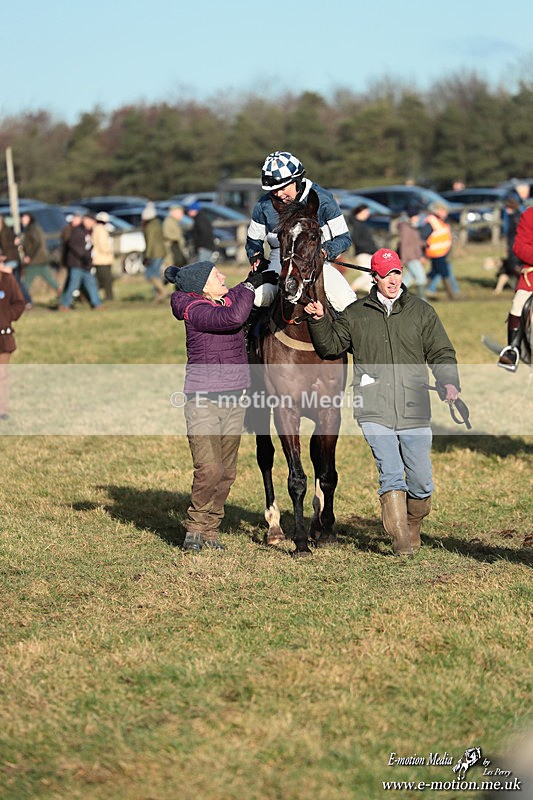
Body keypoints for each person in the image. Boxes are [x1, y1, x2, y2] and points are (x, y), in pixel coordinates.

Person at [304, 248, 461, 557]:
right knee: (390, 473)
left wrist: (448, 380)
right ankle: (400, 537)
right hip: (373, 407)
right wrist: (321, 320)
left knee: (421, 482)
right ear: (374, 277)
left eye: (397, 273)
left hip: (414, 406)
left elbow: (442, 351)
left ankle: (412, 522)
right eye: (386, 274)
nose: (392, 279)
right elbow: (332, 345)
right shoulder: (356, 312)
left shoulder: (421, 310)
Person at [165, 259, 277, 552]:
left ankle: (212, 530)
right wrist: (251, 286)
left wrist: (254, 276)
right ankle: (195, 527)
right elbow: (233, 318)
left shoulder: (220, 299)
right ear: (203, 286)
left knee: (227, 471)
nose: (224, 276)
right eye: (217, 275)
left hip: (234, 398)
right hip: (202, 401)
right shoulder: (195, 310)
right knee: (209, 468)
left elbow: (236, 297)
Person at [246, 151, 356, 310]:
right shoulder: (263, 205)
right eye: (273, 190)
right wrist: (256, 256)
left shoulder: (324, 199)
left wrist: (323, 252)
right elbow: (253, 241)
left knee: (345, 301)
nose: (278, 194)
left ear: (296, 180)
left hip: (315, 257)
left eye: (282, 188)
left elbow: (344, 238)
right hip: (280, 257)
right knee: (257, 298)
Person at [497, 204, 533, 371]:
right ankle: (513, 350)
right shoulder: (529, 214)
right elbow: (519, 246)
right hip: (532, 276)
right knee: (519, 303)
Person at [59, 212, 102, 310]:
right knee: (73, 285)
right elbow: (76, 247)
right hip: (77, 263)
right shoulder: (77, 231)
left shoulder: (87, 231)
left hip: (85, 264)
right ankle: (64, 304)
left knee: (91, 283)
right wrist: (84, 256)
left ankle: (97, 303)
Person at [0, 261, 26, 419]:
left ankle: (1, 409)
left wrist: (5, 318)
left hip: (3, 337)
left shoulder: (8, 280)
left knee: (2, 374)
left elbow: (19, 304)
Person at [419, 201, 460, 300]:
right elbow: (422, 238)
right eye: (443, 211)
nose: (446, 213)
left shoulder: (441, 220)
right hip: (436, 253)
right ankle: (452, 295)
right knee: (444, 272)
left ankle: (422, 292)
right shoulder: (431, 222)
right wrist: (422, 254)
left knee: (435, 272)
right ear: (437, 211)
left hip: (442, 252)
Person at [20, 212, 60, 303]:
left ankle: (24, 301)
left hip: (35, 261)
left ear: (30, 219)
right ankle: (62, 295)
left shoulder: (32, 229)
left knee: (26, 283)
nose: (22, 220)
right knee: (50, 280)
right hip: (41, 260)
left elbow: (36, 244)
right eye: (22, 218)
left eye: (25, 218)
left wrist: (29, 256)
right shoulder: (32, 229)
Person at [0, 215, 31, 306]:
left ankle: (25, 300)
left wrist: (3, 257)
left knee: (13, 281)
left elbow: (10, 247)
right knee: (14, 281)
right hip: (8, 259)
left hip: (11, 259)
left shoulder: (6, 232)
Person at [347, 203, 379, 294]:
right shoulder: (357, 224)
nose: (368, 214)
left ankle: (373, 298)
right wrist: (369, 248)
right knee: (367, 276)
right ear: (360, 212)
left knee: (371, 278)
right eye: (366, 212)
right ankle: (350, 291)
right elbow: (356, 240)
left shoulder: (361, 224)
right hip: (363, 253)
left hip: (368, 253)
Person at [397, 206, 427, 299]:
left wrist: (424, 244)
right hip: (410, 257)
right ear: (411, 217)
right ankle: (423, 300)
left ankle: (395, 296)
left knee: (408, 279)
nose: (418, 218)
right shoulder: (406, 228)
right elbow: (405, 244)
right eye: (416, 216)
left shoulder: (412, 227)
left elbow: (415, 242)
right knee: (421, 278)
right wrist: (405, 258)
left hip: (414, 256)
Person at [494, 196, 522, 295]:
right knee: (512, 267)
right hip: (513, 246)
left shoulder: (516, 218)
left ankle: (522, 285)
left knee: (514, 266)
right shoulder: (513, 217)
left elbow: (519, 234)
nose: (506, 209)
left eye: (507, 207)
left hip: (516, 247)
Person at [141, 202, 166, 301]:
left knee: (150, 274)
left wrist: (147, 256)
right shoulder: (157, 223)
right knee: (155, 274)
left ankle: (162, 291)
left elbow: (150, 242)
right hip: (160, 252)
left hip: (154, 253)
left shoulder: (150, 226)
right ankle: (158, 294)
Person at [92, 212, 115, 301]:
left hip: (98, 259)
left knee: (100, 279)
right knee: (107, 280)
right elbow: (103, 245)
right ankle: (109, 297)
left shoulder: (95, 229)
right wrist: (109, 250)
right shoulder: (101, 230)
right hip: (103, 259)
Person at [162, 204, 188, 269]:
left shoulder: (175, 221)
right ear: (174, 212)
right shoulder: (168, 221)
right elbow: (166, 234)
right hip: (172, 249)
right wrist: (178, 237)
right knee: (171, 267)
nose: (182, 214)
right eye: (180, 212)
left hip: (177, 248)